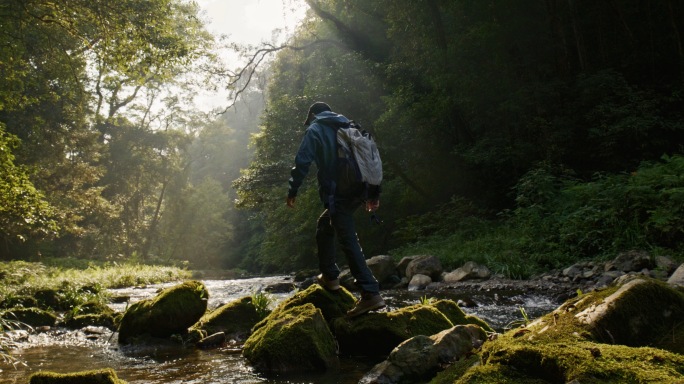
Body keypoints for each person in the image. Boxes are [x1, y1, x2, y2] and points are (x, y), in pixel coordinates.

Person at [286, 101, 385, 317]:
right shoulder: (349, 125)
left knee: (347, 239)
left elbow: (302, 161)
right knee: (325, 225)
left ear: (313, 115)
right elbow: (371, 159)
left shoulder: (316, 129)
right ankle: (330, 277)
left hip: (337, 193)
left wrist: (293, 189)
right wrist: (373, 194)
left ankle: (370, 293)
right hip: (358, 189)